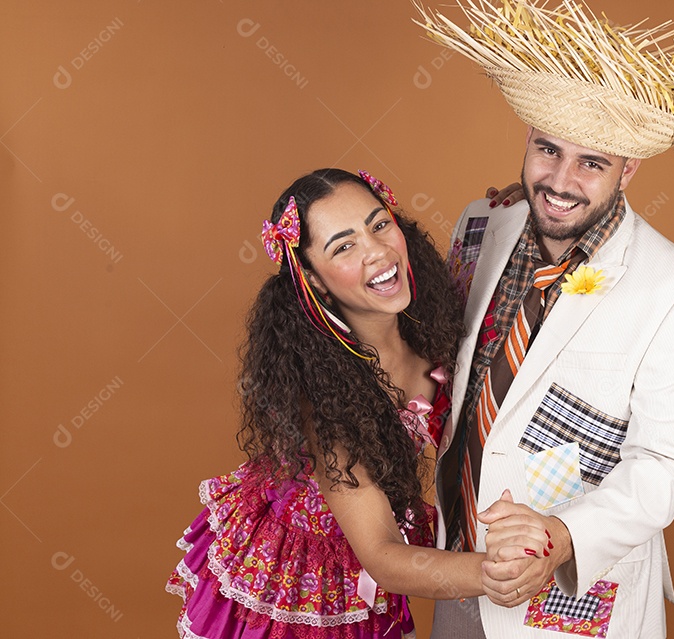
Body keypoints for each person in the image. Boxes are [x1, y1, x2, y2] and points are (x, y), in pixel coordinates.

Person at [415, 1, 674, 636]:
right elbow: (444, 369)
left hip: (573, 592)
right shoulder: (480, 223)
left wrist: (560, 537)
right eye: (548, 150)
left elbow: (666, 465)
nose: (560, 181)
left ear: (629, 168)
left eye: (592, 162)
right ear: (528, 137)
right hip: (461, 566)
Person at [165, 168, 543, 639]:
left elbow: (505, 272)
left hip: (378, 560)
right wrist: (497, 572)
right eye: (343, 247)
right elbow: (382, 556)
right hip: (303, 574)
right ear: (314, 280)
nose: (377, 252)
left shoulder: (436, 318)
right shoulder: (325, 400)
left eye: (379, 224)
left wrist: (523, 207)